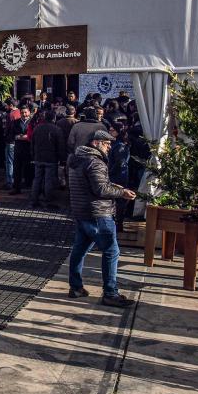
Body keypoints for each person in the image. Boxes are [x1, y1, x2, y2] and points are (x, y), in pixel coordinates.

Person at [67, 130, 137, 307]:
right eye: (106, 143)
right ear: (96, 143)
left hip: (81, 211)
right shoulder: (95, 162)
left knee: (80, 249)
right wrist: (121, 192)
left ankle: (75, 287)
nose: (109, 147)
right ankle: (110, 293)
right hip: (98, 213)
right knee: (112, 251)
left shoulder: (76, 159)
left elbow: (92, 184)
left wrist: (112, 185)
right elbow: (100, 190)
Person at [30, 110, 65, 208]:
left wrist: (33, 155)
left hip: (38, 157)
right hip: (51, 158)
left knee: (37, 179)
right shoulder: (56, 129)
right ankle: (48, 201)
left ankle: (34, 200)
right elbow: (60, 146)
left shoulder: (37, 128)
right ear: (54, 118)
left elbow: (32, 143)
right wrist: (62, 159)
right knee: (49, 180)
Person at [108, 125, 131, 234]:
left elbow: (120, 163)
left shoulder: (120, 146)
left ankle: (118, 224)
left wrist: (110, 172)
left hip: (118, 177)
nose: (110, 131)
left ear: (118, 132)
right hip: (118, 175)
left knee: (118, 200)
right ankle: (116, 223)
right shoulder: (117, 144)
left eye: (112, 130)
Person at [10, 106, 33, 195]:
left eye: (26, 112)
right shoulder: (15, 122)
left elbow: (33, 134)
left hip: (29, 149)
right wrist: (18, 137)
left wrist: (26, 137)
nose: (24, 114)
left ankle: (30, 187)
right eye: (22, 113)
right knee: (17, 169)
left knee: (29, 169)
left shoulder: (32, 122)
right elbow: (12, 134)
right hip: (18, 149)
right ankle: (16, 188)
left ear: (29, 113)